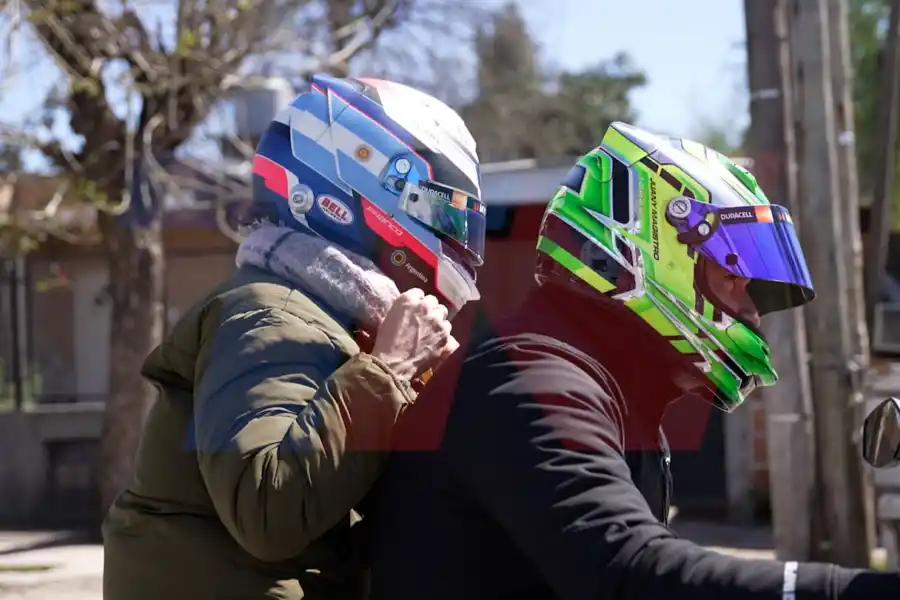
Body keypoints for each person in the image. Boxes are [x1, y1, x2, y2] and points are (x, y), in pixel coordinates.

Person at [367, 122, 900, 599]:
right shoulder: (530, 381)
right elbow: (630, 572)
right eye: (733, 276)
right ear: (648, 251)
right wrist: (851, 590)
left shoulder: (607, 388)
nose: (752, 314)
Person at [101, 74, 487, 600]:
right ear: (360, 189)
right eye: (441, 211)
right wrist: (389, 370)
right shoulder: (270, 314)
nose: (455, 238)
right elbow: (266, 509)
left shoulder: (330, 323)